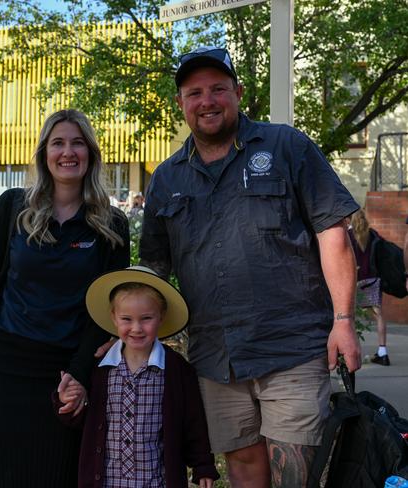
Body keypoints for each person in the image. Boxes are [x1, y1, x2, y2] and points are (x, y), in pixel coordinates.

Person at [139, 46, 361, 487]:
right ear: (181, 103)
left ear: (238, 93)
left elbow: (332, 233)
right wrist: (126, 330)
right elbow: (154, 266)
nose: (207, 101)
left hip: (292, 350)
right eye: (194, 92)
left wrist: (344, 321)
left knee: (295, 473)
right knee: (242, 466)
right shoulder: (166, 179)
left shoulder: (287, 146)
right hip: (216, 357)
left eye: (218, 89)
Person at [0, 109, 130, 488]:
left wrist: (81, 372)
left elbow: (107, 313)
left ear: (91, 153)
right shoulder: (13, 207)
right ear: (44, 153)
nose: (68, 152)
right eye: (58, 143)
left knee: (58, 476)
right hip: (3, 365)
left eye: (77, 143)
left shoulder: (112, 224)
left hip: (63, 373)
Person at [57, 265, 220, 488]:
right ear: (113, 318)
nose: (136, 328)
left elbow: (193, 421)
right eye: (126, 319)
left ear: (161, 317)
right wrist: (68, 401)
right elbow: (82, 421)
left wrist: (202, 465)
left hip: (156, 481)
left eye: (146, 318)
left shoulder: (176, 368)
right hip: (107, 482)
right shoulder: (99, 368)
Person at [349, 210, 389, 366]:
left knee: (350, 317)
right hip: (373, 280)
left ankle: (352, 353)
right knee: (379, 316)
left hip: (355, 281)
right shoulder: (373, 235)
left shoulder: (348, 236)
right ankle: (383, 352)